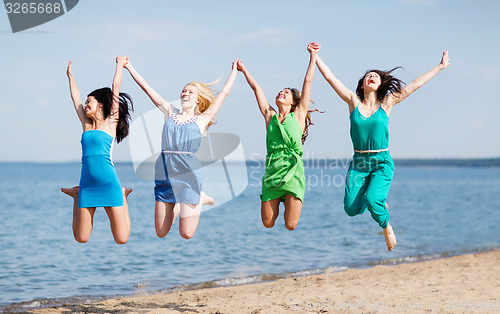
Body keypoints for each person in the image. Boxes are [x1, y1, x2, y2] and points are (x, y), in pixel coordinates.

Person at [315, 45, 451, 251]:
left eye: (375, 77)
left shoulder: (387, 103)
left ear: (380, 84)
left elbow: (415, 84)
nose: (371, 77)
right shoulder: (353, 102)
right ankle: (375, 201)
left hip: (381, 162)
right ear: (362, 84)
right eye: (367, 76)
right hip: (359, 164)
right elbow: (330, 78)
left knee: (372, 199)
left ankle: (385, 225)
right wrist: (315, 56)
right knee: (351, 209)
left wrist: (440, 67)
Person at [123, 58, 239, 239]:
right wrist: (129, 66)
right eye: (184, 90)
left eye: (190, 92)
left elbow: (223, 94)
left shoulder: (202, 119)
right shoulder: (170, 111)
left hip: (187, 173)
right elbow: (147, 88)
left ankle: (199, 198)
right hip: (164, 170)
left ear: (198, 99)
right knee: (161, 232)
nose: (185, 93)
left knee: (186, 233)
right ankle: (180, 202)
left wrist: (235, 70)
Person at [237, 42, 320, 231]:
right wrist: (244, 70)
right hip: (273, 171)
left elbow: (307, 82)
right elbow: (257, 88)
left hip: (293, 172)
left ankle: (289, 199)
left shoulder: (298, 115)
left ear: (293, 102)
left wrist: (313, 56)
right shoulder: (270, 116)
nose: (281, 93)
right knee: (267, 223)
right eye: (280, 91)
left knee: (290, 225)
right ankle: (280, 198)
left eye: (287, 93)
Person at [61, 57, 134, 244]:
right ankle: (76, 195)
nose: (85, 105)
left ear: (101, 103)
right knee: (81, 237)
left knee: (122, 238)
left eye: (89, 102)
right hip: (86, 183)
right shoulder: (86, 125)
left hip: (109, 182)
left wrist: (119, 66)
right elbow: (75, 98)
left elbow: (115, 86)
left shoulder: (111, 122)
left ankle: (123, 195)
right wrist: (70, 76)